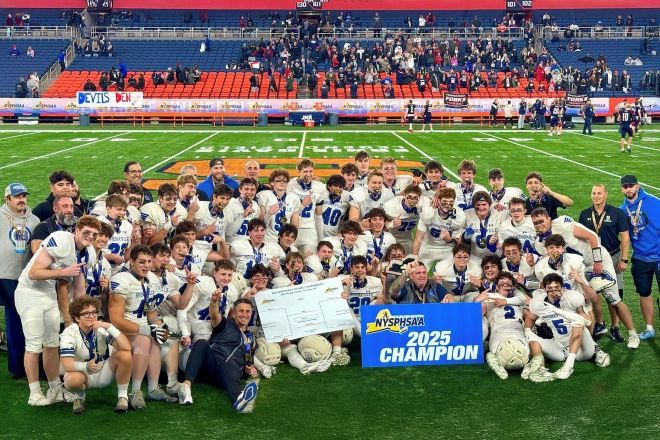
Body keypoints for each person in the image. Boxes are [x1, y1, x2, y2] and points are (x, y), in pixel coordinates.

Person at [15, 215, 101, 406]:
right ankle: (34, 393)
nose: (90, 236)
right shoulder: (61, 239)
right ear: (76, 230)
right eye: (86, 232)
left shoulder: (88, 253)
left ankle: (55, 388)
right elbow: (33, 272)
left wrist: (81, 316)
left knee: (52, 343)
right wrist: (63, 272)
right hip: (29, 291)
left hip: (48, 293)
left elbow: (79, 289)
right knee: (34, 345)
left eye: (94, 234)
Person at [531, 208, 639, 348]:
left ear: (548, 219)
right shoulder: (540, 242)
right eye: (535, 223)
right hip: (577, 267)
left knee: (613, 298)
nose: (539, 225)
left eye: (541, 221)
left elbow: (592, 236)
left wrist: (598, 261)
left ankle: (632, 334)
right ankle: (598, 326)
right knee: (584, 299)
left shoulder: (562, 224)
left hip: (595, 261)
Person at [108, 245, 177, 409]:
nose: (146, 266)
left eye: (148, 261)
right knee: (145, 340)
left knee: (157, 339)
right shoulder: (121, 280)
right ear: (131, 261)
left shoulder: (151, 280)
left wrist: (160, 327)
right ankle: (135, 392)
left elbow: (151, 312)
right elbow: (115, 319)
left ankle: (153, 389)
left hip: (141, 329)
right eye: (142, 262)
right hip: (120, 332)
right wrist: (145, 330)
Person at [178, 295, 259, 413]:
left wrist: (249, 369)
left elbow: (248, 363)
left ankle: (239, 399)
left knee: (232, 368)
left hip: (228, 373)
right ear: (234, 312)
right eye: (241, 311)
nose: (244, 314)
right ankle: (185, 387)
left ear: (251, 314)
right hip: (212, 364)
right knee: (201, 343)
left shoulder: (252, 340)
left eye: (247, 311)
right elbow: (214, 315)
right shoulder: (225, 324)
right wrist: (214, 302)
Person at [525, 274, 610, 380]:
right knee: (532, 338)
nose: (553, 291)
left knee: (577, 322)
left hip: (582, 350)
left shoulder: (572, 298)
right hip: (560, 348)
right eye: (550, 288)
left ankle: (569, 365)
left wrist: (560, 312)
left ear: (562, 288)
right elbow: (530, 318)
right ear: (544, 289)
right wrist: (527, 331)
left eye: (556, 287)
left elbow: (587, 321)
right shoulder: (539, 303)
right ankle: (538, 367)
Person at [59, 297, 133, 414]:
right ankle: (79, 397)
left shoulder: (101, 329)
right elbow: (66, 364)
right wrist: (85, 366)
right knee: (72, 379)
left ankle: (123, 397)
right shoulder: (69, 334)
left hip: (104, 371)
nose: (92, 316)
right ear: (77, 318)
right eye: (86, 313)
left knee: (125, 355)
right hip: (84, 374)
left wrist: (109, 326)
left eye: (94, 312)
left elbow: (126, 347)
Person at [579, 184, 631, 342]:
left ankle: (615, 327)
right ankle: (599, 324)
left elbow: (625, 237)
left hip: (613, 257)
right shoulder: (585, 214)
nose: (596, 196)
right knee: (593, 293)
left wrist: (624, 259)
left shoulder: (617, 213)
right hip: (592, 260)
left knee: (614, 295)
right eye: (594, 193)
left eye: (599, 193)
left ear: (606, 195)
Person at [0, 183, 40, 377]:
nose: (21, 199)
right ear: (7, 199)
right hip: (5, 275)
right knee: (14, 319)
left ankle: (28, 363)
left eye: (24, 196)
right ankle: (17, 366)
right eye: (17, 196)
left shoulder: (34, 219)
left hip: (26, 276)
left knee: (28, 319)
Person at [620, 175, 659, 340]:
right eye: (625, 186)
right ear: (622, 189)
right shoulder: (622, 210)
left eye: (631, 186)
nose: (629, 189)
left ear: (637, 186)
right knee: (644, 293)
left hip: (659, 256)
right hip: (640, 258)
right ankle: (649, 328)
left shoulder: (654, 202)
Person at [286, 159, 327, 255]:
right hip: (293, 229)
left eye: (311, 171)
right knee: (291, 259)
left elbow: (318, 215)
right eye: (305, 171)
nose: (308, 174)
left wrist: (320, 238)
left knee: (310, 260)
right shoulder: (290, 185)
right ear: (298, 172)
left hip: (310, 231)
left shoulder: (319, 187)